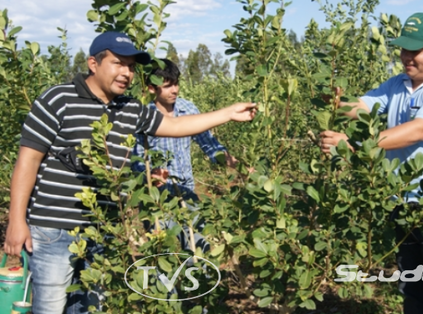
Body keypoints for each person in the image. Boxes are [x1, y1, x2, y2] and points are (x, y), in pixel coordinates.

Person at [2, 31, 256, 314]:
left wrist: (228, 112)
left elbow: (175, 126)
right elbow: (28, 160)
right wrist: (16, 220)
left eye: (132, 67)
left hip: (102, 231)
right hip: (53, 230)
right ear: (93, 64)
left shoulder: (129, 109)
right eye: (118, 63)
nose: (127, 73)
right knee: (49, 308)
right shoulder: (59, 99)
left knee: (90, 308)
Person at [319, 12, 423, 314]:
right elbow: (362, 107)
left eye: (415, 50)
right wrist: (333, 96)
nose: (406, 56)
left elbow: (418, 130)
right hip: (404, 206)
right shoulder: (397, 84)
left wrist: (352, 147)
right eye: (404, 49)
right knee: (413, 292)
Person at [132, 58, 239, 202]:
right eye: (168, 86)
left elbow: (209, 143)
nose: (175, 90)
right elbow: (135, 160)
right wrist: (150, 175)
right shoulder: (144, 116)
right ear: (152, 88)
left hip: (187, 189)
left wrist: (238, 165)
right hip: (158, 197)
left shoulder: (187, 109)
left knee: (197, 224)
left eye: (176, 84)